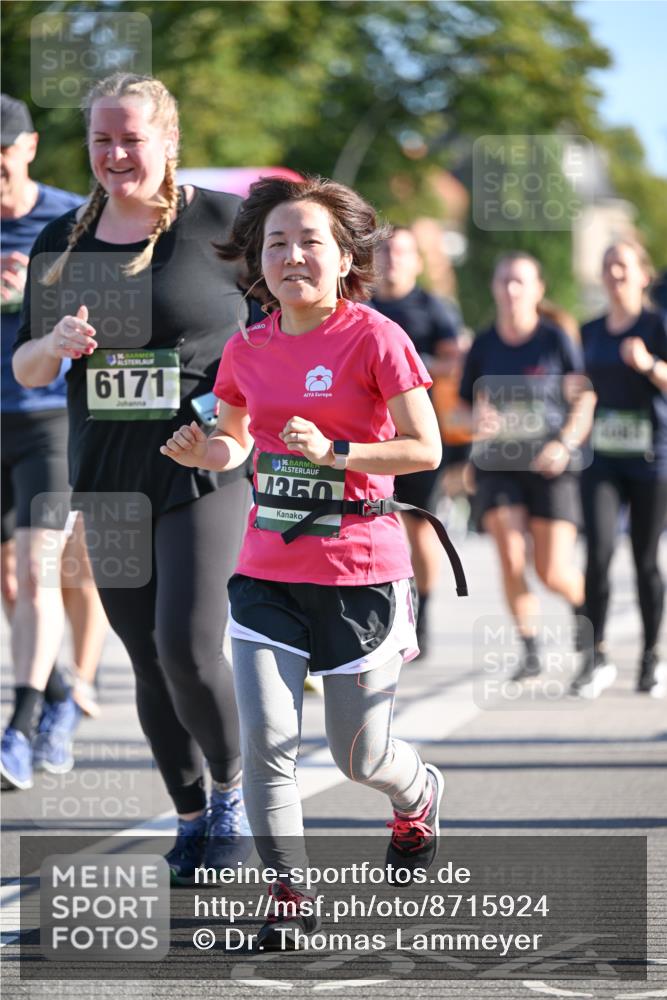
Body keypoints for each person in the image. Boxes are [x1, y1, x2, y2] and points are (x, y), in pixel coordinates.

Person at [161, 176, 467, 950]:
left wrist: (336, 452)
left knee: (359, 756)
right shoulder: (246, 345)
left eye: (309, 243)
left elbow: (424, 448)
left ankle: (416, 792)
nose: (292, 255)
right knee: (269, 747)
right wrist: (211, 450)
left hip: (361, 571)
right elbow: (234, 437)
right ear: (256, 263)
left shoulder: (374, 337)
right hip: (266, 572)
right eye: (276, 243)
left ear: (341, 258)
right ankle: (289, 897)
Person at [12, 73, 252, 877]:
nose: (116, 154)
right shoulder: (63, 243)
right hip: (107, 481)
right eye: (101, 141)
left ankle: (230, 796)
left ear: (167, 139)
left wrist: (251, 410)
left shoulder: (224, 222)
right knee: (144, 658)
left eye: (131, 139)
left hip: (202, 471)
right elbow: (26, 359)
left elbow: (292, 309)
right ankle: (190, 818)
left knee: (186, 646)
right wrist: (58, 347)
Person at [1, 93, 107, 790]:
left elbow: (111, 313)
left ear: (29, 146)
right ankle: (61, 689)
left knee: (46, 565)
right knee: (11, 580)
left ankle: (21, 723)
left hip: (50, 417)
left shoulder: (72, 220)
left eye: (2, 156)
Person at [458, 252, 595, 681]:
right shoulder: (483, 344)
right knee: (511, 559)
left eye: (520, 282)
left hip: (549, 465)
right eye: (504, 281)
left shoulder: (555, 339)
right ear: (495, 288)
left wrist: (565, 443)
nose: (511, 290)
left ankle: (585, 610)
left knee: (551, 571)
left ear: (538, 290)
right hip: (498, 466)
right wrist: (473, 422)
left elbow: (584, 397)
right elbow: (458, 410)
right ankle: (530, 648)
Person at [570, 240, 667, 698]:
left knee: (646, 561)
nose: (615, 273)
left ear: (643, 275)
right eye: (608, 265)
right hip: (602, 458)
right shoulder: (589, 331)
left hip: (653, 458)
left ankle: (650, 657)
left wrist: (650, 366)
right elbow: (580, 388)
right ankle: (596, 656)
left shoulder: (657, 324)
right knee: (598, 556)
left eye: (624, 265)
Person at [371, 225, 462, 655]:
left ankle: (423, 615)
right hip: (371, 439)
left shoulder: (433, 308)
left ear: (417, 262)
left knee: (420, 531)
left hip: (419, 436)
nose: (393, 259)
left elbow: (455, 359)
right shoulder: (361, 305)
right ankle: (379, 612)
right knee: (368, 523)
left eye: (402, 252)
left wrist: (410, 368)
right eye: (386, 251)